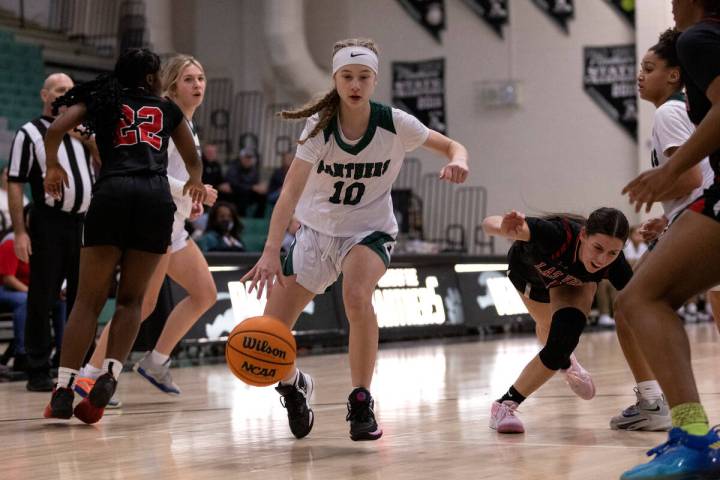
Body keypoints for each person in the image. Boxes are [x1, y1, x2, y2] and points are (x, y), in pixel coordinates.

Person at [241, 37, 469, 441]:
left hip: (369, 230)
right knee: (266, 335)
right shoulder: (320, 128)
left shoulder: (395, 123)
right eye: (347, 76)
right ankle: (294, 384)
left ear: (374, 80)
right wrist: (270, 252)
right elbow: (289, 193)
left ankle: (361, 400)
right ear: (336, 78)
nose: (355, 84)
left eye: (364, 76)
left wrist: (457, 160)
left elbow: (452, 144)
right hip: (315, 233)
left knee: (357, 295)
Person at [41, 48, 205, 424]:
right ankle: (111, 374)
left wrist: (52, 165)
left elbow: (55, 128)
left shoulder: (105, 100)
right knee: (132, 302)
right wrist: (195, 183)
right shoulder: (167, 110)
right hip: (153, 201)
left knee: (87, 301)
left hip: (112, 196)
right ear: (152, 78)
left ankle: (65, 387)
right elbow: (191, 157)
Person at [73, 54, 218, 402]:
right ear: (170, 84)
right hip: (156, 220)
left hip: (176, 223)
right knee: (142, 303)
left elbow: (177, 177)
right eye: (188, 79)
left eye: (200, 78)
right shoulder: (161, 117)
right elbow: (151, 172)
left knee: (204, 294)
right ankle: (90, 374)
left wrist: (190, 201)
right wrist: (189, 191)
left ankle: (156, 360)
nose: (197, 85)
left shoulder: (187, 123)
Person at [618, 1, 720, 477]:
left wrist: (668, 172)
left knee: (641, 299)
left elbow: (693, 171)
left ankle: (693, 438)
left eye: (650, 67)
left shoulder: (697, 38)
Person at [482, 208, 632, 433]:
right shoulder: (555, 234)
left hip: (573, 284)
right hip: (529, 275)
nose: (602, 259)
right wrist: (502, 227)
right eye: (597, 248)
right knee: (547, 328)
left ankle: (504, 405)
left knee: (560, 343)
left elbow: (640, 297)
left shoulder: (615, 264)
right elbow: (488, 222)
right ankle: (567, 364)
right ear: (583, 236)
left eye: (612, 253)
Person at [7, 72, 95, 392]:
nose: (66, 95)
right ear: (45, 95)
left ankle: (76, 365)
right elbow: (15, 182)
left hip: (84, 223)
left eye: (71, 91)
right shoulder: (29, 133)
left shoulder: (86, 130)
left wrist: (87, 139)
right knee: (42, 297)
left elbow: (103, 164)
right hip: (48, 222)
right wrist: (20, 232)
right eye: (59, 90)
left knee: (83, 299)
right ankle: (38, 368)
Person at [0, 206, 65, 372]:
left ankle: (61, 353)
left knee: (60, 302)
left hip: (32, 289)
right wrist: (32, 293)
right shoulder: (11, 241)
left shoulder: (44, 243)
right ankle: (22, 355)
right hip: (7, 289)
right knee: (25, 301)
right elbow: (8, 278)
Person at [226, 147, 267, 217]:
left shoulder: (253, 170)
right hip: (236, 193)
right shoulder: (234, 168)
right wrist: (251, 187)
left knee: (263, 195)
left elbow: (256, 182)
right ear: (241, 158)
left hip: (249, 193)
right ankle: (241, 217)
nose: (248, 160)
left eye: (250, 158)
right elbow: (234, 185)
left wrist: (260, 187)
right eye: (246, 157)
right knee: (242, 197)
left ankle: (258, 218)